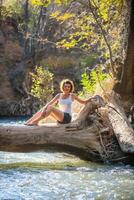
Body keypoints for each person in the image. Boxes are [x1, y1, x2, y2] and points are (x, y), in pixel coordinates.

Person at [25, 79, 94, 126]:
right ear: (63, 87)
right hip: (60, 117)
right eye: (65, 86)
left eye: (68, 87)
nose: (67, 88)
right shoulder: (59, 95)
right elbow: (49, 103)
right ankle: (28, 122)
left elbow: (83, 102)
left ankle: (36, 121)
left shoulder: (72, 96)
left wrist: (90, 99)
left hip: (67, 118)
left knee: (50, 107)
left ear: (70, 88)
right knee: (45, 108)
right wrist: (44, 109)